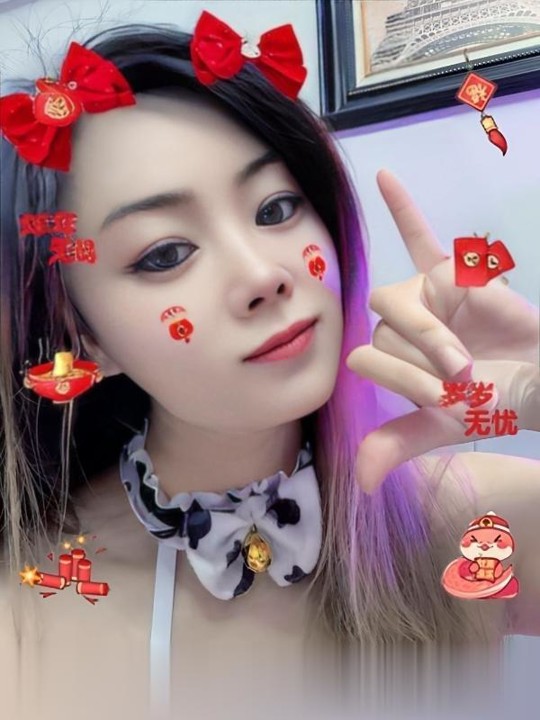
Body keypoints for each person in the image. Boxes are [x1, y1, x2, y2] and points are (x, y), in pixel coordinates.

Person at [0, 10, 539, 720]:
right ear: (82, 336)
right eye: (166, 253)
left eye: (277, 208)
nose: (263, 275)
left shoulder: (476, 523)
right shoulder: (34, 587)